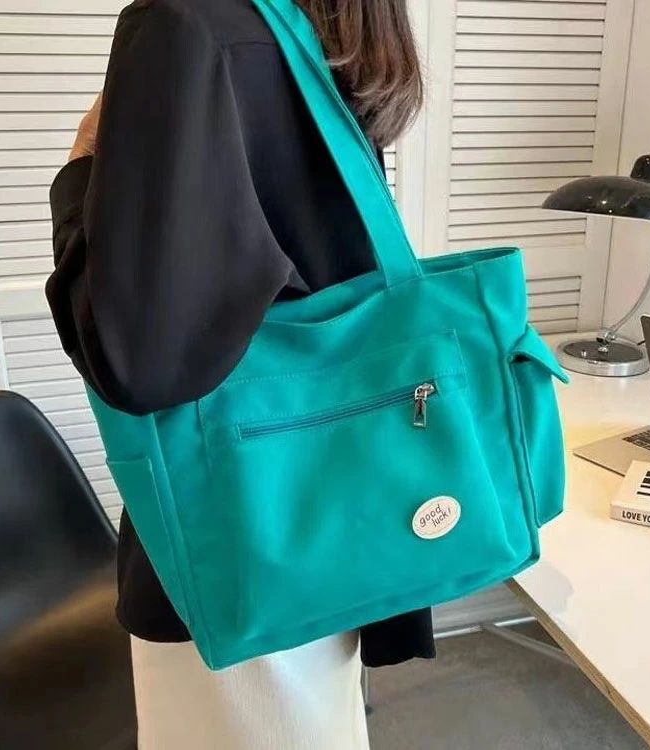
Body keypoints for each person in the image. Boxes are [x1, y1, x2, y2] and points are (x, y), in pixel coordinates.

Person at [47, 0, 434, 747]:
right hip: (343, 498)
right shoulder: (329, 28)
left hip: (230, 526)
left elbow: (136, 364)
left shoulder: (182, 25)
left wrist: (80, 170)